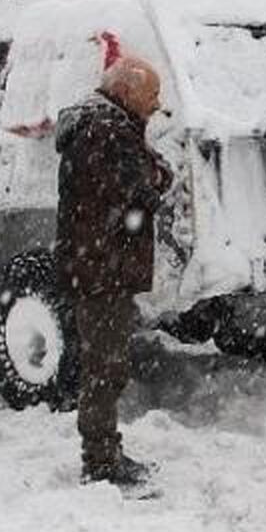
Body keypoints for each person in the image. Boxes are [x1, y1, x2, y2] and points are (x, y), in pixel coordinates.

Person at [56, 54, 172, 487]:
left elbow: (143, 180)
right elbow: (141, 190)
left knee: (106, 365)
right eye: (152, 96)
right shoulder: (107, 132)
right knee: (105, 368)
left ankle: (105, 451)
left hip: (98, 265)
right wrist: (157, 177)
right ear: (126, 92)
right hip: (102, 268)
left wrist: (153, 175)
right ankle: (100, 462)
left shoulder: (102, 128)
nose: (156, 106)